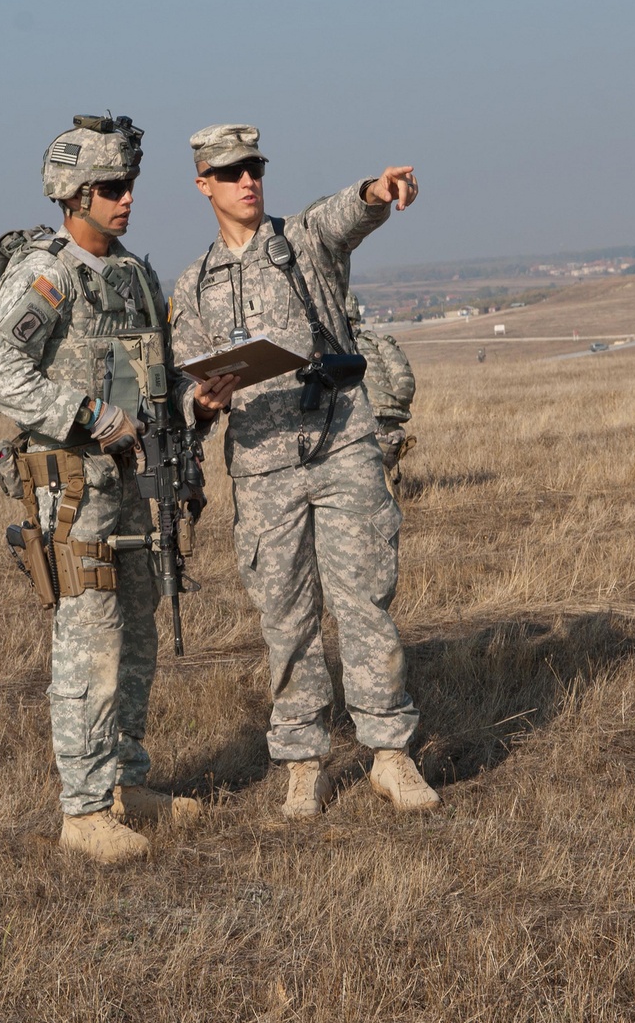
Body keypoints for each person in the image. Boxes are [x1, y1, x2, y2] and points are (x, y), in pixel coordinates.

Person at [175, 124, 440, 816]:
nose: (248, 181)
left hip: (341, 443)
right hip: (262, 469)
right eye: (231, 172)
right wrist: (202, 403)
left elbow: (346, 214)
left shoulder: (303, 240)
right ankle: (302, 762)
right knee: (286, 622)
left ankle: (390, 754)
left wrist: (378, 191)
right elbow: (187, 392)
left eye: (255, 167)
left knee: (364, 604)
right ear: (204, 182)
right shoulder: (194, 285)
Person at [0, 115, 219, 865]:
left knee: (140, 633)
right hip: (77, 485)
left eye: (129, 187)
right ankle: (83, 811)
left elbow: (157, 376)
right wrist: (87, 416)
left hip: (140, 483)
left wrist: (191, 400)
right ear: (72, 195)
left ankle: (125, 781)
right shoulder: (46, 275)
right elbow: (1, 375)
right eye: (111, 189)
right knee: (91, 643)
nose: (126, 201)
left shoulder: (136, 276)